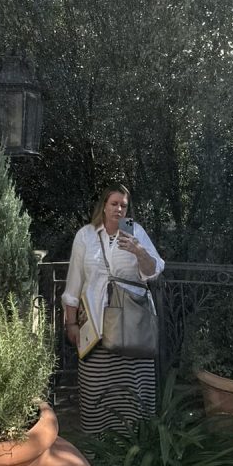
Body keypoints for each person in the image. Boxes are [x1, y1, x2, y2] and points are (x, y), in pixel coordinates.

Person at [62, 182, 165, 437]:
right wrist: (71, 322)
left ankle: (134, 442)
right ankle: (97, 443)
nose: (119, 209)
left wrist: (139, 252)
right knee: (95, 385)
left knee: (133, 387)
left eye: (124, 205)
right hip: (95, 324)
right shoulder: (86, 235)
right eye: (114, 204)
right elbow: (74, 282)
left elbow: (153, 271)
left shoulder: (135, 231)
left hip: (131, 325)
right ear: (104, 206)